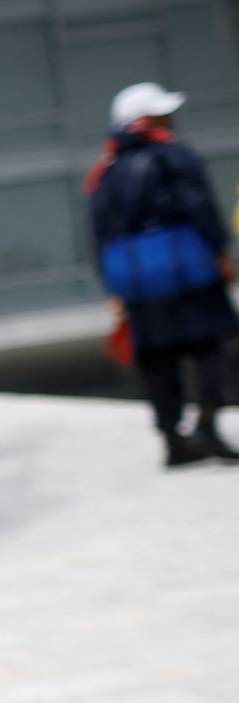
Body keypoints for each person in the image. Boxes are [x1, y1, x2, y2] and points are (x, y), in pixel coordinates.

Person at [87, 81, 239, 466]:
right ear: (145, 119)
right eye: (162, 112)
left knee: (156, 356)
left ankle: (173, 440)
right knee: (212, 344)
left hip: (137, 277)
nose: (171, 117)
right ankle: (206, 422)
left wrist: (112, 283)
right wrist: (220, 251)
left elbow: (99, 232)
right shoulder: (172, 155)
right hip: (186, 265)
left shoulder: (106, 169)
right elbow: (198, 204)